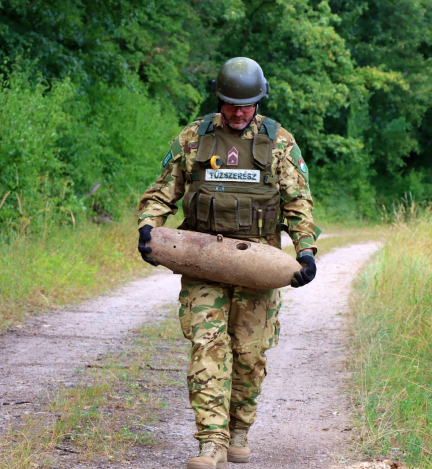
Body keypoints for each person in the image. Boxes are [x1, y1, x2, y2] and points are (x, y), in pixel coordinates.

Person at [136, 57, 321, 469]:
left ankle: (239, 429)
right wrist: (149, 227)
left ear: (260, 100)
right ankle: (211, 442)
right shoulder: (194, 139)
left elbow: (298, 204)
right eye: (231, 104)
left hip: (257, 263)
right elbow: (162, 192)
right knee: (208, 345)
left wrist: (305, 250)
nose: (238, 112)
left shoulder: (279, 143)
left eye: (247, 105)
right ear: (219, 98)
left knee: (250, 354)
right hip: (203, 260)